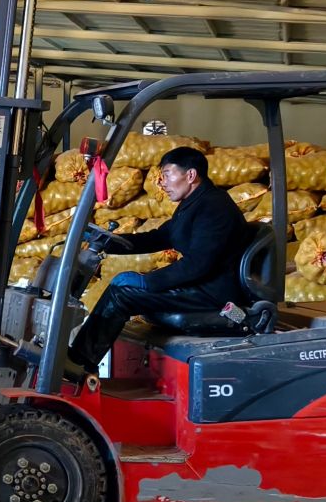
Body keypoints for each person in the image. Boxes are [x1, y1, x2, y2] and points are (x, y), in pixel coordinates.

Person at [67, 144, 251, 373]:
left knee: (122, 295)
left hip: (213, 293)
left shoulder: (214, 207)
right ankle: (77, 360)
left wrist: (147, 281)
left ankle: (78, 365)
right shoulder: (193, 204)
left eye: (167, 174)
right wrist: (107, 242)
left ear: (190, 175)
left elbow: (198, 264)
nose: (162, 182)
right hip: (201, 285)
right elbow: (158, 237)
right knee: (122, 289)